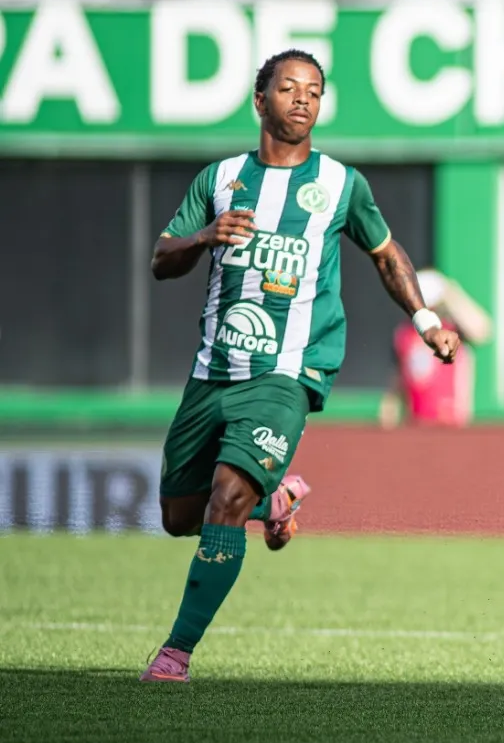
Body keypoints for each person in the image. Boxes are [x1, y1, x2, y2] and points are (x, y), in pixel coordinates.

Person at [140, 49, 460, 683]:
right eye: (288, 88)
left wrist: (426, 321)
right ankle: (276, 500)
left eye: (313, 90)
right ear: (260, 101)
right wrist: (204, 236)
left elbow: (385, 253)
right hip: (213, 371)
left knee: (227, 498)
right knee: (179, 517)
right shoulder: (220, 179)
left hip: (289, 372)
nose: (303, 99)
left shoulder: (340, 184)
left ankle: (175, 654)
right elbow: (161, 259)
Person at [381, 267, 494, 428]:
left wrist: (450, 293)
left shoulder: (454, 331)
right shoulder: (404, 334)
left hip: (452, 424)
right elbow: (397, 381)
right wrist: (389, 414)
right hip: (417, 425)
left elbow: (482, 331)